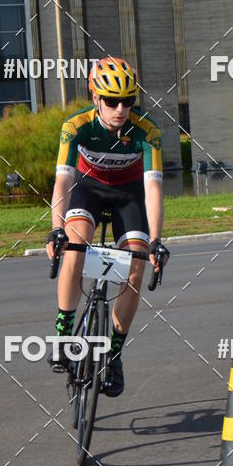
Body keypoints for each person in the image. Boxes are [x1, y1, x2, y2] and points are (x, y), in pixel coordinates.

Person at [45, 56, 169, 397]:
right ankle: (64, 333)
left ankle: (113, 354)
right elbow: (62, 182)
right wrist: (56, 228)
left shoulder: (148, 132)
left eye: (127, 101)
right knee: (74, 247)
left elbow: (153, 188)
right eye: (112, 101)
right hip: (89, 190)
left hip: (129, 196)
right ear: (95, 98)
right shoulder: (76, 127)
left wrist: (156, 240)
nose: (120, 109)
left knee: (136, 267)